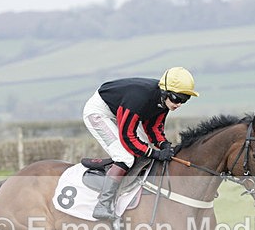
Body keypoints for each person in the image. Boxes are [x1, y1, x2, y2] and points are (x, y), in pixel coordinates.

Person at [82, 67, 199, 220]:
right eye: (177, 98)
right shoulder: (139, 99)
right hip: (99, 112)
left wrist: (164, 145)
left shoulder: (163, 101)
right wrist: (155, 153)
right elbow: (127, 137)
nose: (179, 104)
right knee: (126, 157)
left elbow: (153, 127)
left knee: (143, 152)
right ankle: (102, 205)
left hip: (121, 110)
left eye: (184, 100)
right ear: (165, 92)